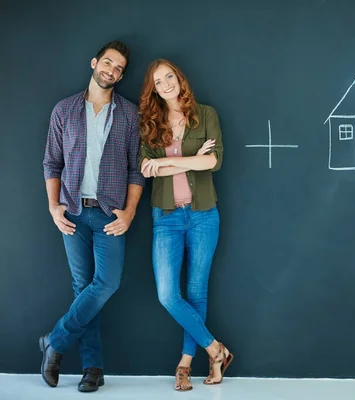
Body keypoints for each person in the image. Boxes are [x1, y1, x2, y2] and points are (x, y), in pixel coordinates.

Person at [40, 40, 145, 392]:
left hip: (108, 215)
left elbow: (135, 170)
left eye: (119, 69)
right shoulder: (64, 110)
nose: (112, 71)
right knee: (83, 289)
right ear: (94, 62)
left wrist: (129, 213)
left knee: (106, 284)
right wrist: (53, 206)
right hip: (71, 211)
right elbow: (52, 163)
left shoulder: (129, 114)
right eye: (108, 63)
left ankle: (55, 342)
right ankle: (93, 369)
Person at [138, 58, 233, 391]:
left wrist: (166, 162)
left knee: (196, 293)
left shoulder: (205, 114)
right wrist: (189, 161)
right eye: (158, 82)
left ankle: (185, 363)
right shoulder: (150, 123)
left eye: (169, 77)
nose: (166, 84)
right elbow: (146, 169)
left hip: (204, 213)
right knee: (168, 294)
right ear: (153, 90)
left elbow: (213, 160)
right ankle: (215, 349)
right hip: (166, 216)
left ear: (179, 78)